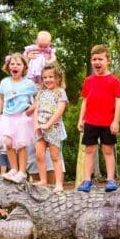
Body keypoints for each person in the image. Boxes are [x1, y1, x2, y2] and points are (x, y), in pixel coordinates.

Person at [77, 45, 120, 192]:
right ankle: (86, 180)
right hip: (90, 121)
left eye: (100, 59)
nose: (97, 62)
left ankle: (110, 180)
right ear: (91, 61)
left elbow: (118, 101)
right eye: (94, 59)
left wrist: (115, 121)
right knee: (89, 150)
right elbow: (85, 100)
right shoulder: (89, 80)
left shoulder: (114, 80)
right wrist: (80, 119)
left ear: (107, 60)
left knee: (108, 150)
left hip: (107, 122)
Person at [0, 53, 37, 183]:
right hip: (7, 117)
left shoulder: (28, 84)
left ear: (24, 67)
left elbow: (37, 99)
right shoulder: (5, 82)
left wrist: (31, 110)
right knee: (7, 142)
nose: (15, 66)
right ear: (8, 66)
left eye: (18, 64)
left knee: (21, 144)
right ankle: (13, 169)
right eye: (12, 64)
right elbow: (1, 99)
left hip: (21, 117)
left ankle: (22, 171)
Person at [34, 63, 68, 192]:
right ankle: (43, 180)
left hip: (53, 126)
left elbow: (60, 110)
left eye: (51, 77)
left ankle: (59, 184)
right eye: (45, 77)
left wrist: (48, 124)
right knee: (39, 154)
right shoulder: (41, 93)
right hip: (40, 127)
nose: (48, 80)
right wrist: (36, 124)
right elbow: (36, 109)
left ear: (58, 78)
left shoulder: (60, 92)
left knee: (55, 156)